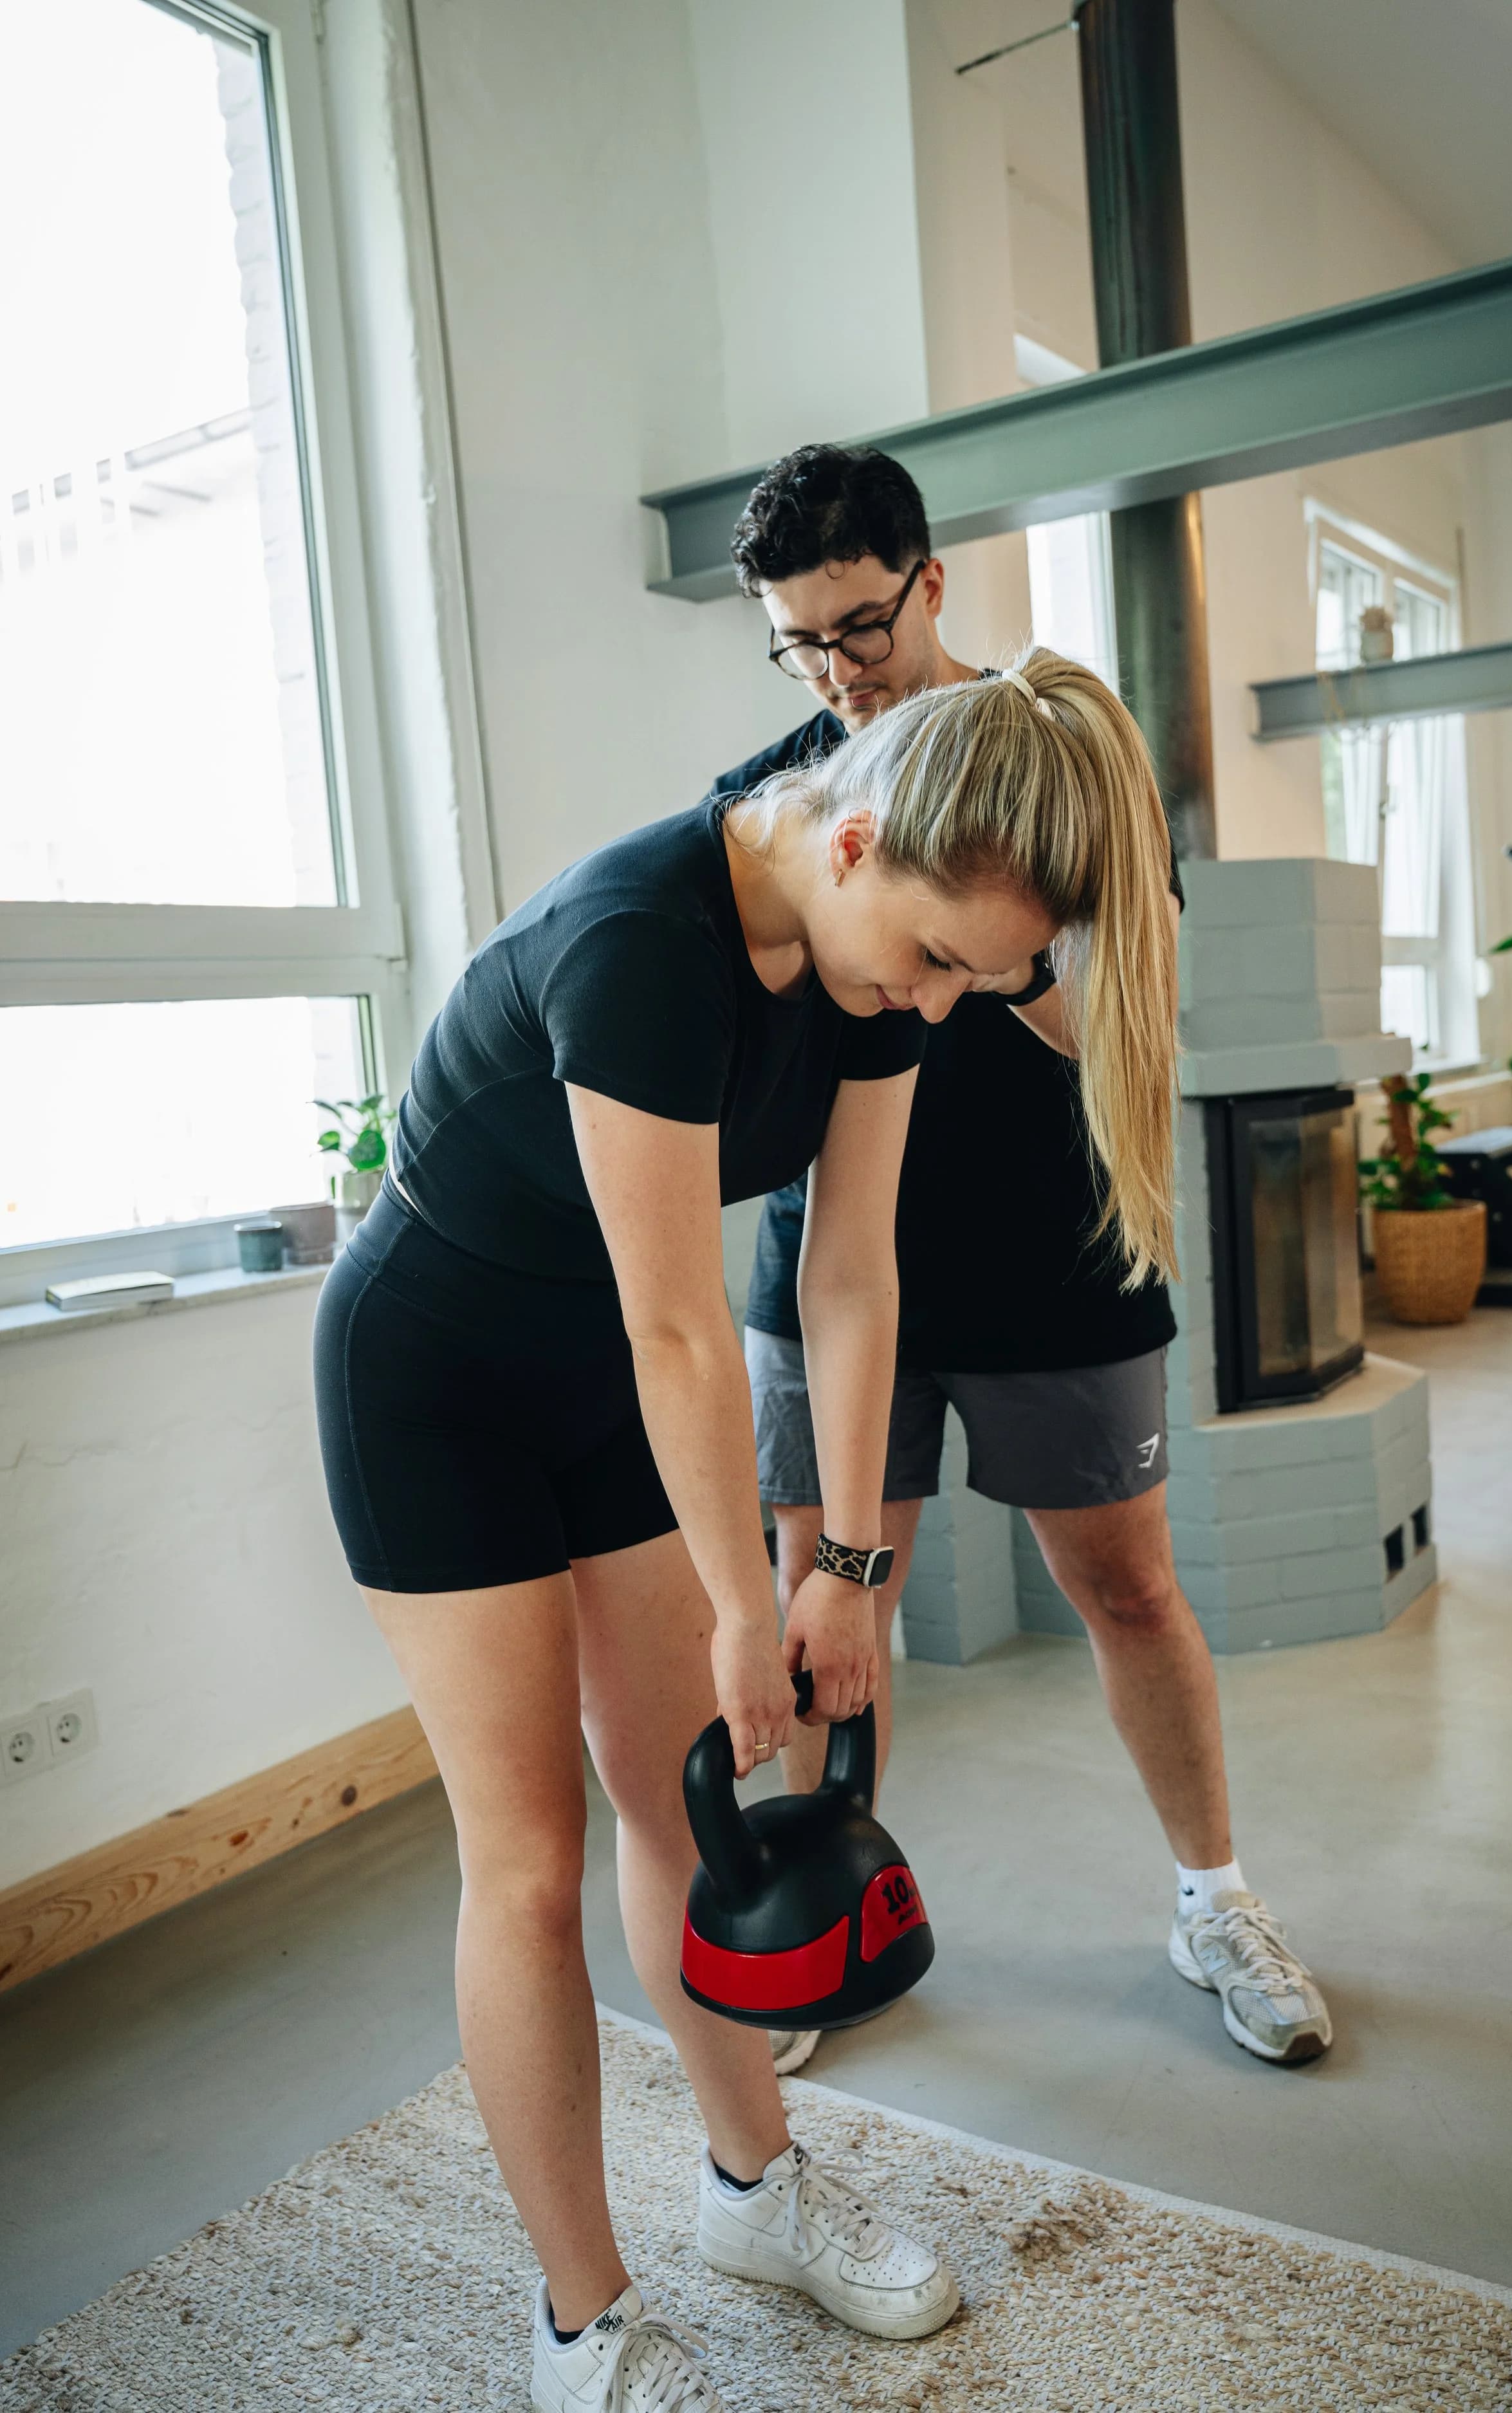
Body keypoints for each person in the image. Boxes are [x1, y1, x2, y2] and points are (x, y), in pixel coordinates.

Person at [313, 642, 1179, 2413]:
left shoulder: (873, 984)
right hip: (438, 1374)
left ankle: (749, 2185)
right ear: (853, 841)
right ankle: (576, 2315)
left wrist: (843, 1567)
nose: (941, 1003)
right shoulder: (642, 937)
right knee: (529, 1851)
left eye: (983, 980)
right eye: (941, 957)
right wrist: (737, 1593)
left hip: (613, 1369)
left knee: (679, 1795)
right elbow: (680, 1323)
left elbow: (852, 1274)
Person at [718, 443, 1333, 2081]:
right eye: (798, 641)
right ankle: (826, 1907)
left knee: (1122, 1586)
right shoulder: (785, 794)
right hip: (827, 1271)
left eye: (857, 626)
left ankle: (1213, 1898)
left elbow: (1132, 1017)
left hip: (1050, 1257)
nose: (835, 672)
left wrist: (970, 932)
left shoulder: (1060, 770)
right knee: (833, 1603)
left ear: (928, 582)